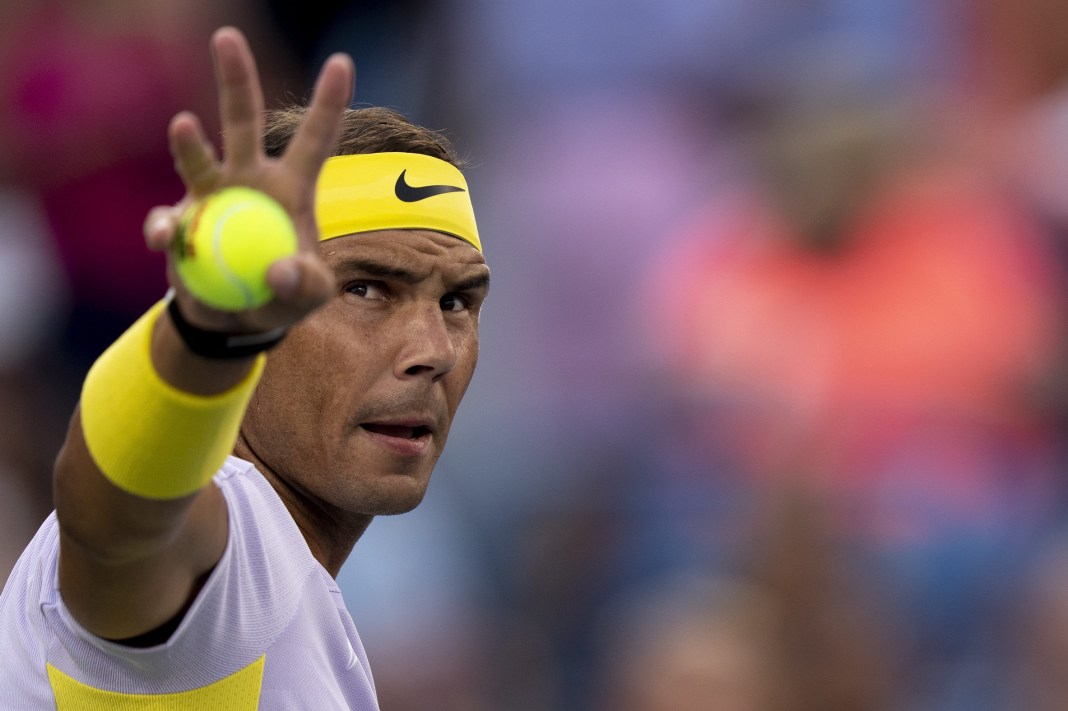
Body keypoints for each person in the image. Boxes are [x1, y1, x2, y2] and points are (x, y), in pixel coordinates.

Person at [0, 25, 489, 709]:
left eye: (457, 300)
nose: (432, 349)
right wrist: (206, 337)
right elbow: (115, 520)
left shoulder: (296, 588)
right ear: (258, 314)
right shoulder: (230, 550)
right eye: (366, 288)